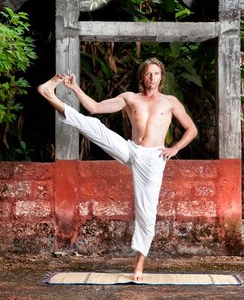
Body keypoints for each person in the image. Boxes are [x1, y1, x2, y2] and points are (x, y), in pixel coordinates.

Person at [37, 58, 197, 280]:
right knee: (94, 126)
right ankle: (49, 95)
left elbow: (191, 129)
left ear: (162, 77)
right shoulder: (129, 98)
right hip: (131, 149)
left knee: (147, 213)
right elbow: (94, 108)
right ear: (142, 77)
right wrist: (74, 88)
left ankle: (139, 265)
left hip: (153, 159)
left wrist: (175, 148)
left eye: (157, 74)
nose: (152, 78)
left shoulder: (170, 102)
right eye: (149, 74)